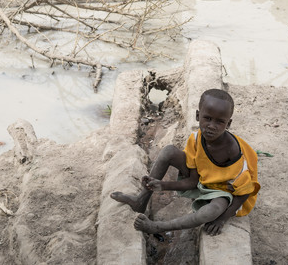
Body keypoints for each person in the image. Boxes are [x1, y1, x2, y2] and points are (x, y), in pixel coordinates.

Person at [111, 88, 260, 236]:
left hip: (222, 190)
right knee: (169, 151)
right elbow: (193, 181)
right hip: (203, 180)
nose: (212, 126)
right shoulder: (196, 139)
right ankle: (140, 201)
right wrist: (161, 185)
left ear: (228, 124)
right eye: (207, 118)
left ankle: (157, 227)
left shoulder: (231, 150)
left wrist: (221, 219)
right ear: (197, 115)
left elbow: (244, 192)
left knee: (210, 212)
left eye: (220, 122)